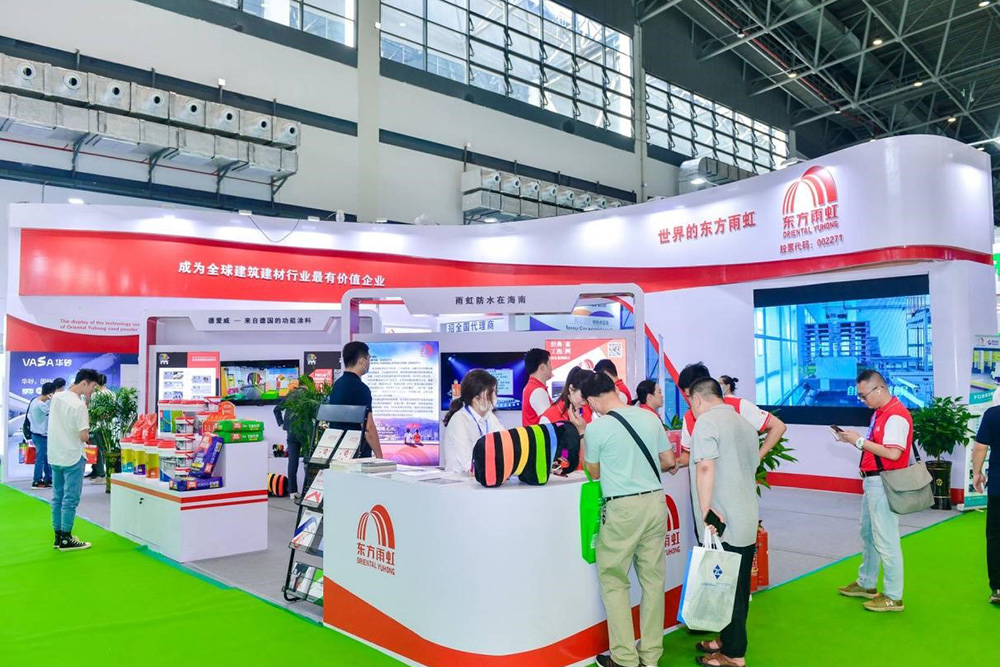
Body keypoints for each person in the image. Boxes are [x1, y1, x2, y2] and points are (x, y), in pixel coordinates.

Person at [574, 373, 675, 667]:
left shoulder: (597, 428)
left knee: (615, 581)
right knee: (653, 581)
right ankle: (651, 656)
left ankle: (625, 658)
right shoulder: (649, 418)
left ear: (592, 400)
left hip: (622, 508)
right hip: (655, 502)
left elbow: (593, 472)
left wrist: (582, 434)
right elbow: (668, 460)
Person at [687, 377, 760, 667]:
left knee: (727, 588)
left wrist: (706, 512)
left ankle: (733, 655)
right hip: (745, 516)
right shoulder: (744, 424)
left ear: (697, 399)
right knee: (736, 586)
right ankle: (726, 640)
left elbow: (705, 466)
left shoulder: (706, 422)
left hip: (722, 521)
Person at [833, 369, 911, 613]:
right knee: (869, 534)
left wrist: (858, 441)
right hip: (873, 481)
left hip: (884, 482)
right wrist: (853, 440)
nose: (862, 400)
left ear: (879, 389)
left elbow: (893, 453)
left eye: (864, 395)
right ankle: (867, 583)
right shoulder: (881, 413)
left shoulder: (895, 415)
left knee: (886, 538)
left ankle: (893, 596)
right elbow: (877, 449)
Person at [674, 363, 786, 472]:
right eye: (688, 396)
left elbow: (778, 427)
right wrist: (674, 463)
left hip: (739, 480)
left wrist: (756, 459)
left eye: (692, 396)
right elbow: (689, 454)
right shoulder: (688, 417)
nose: (692, 401)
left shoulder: (739, 406)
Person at [48, 368, 101, 551]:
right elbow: (83, 436)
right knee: (70, 499)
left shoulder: (57, 397)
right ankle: (66, 538)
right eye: (93, 386)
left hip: (55, 454)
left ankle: (58, 537)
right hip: (73, 456)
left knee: (57, 497)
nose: (93, 390)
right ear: (84, 383)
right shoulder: (79, 406)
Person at [326, 341, 383, 458]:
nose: (369, 363)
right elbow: (368, 427)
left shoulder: (337, 385)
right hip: (356, 454)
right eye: (368, 359)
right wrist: (379, 456)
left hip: (337, 451)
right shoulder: (361, 388)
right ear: (362, 361)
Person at [442, 370, 503, 475]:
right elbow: (470, 466)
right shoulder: (459, 420)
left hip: (481, 479)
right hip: (459, 481)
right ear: (476, 398)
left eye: (495, 392)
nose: (495, 397)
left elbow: (504, 442)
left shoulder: (489, 417)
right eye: (490, 393)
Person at [972, 406, 1000, 604]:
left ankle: (998, 587)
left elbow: (980, 447)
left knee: (996, 536)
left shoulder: (993, 414)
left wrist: (977, 472)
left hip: (998, 486)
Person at [274, 385, 306, 496]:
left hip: (291, 431)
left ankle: (293, 491)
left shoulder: (291, 394)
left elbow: (276, 409)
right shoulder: (308, 395)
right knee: (307, 460)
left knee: (292, 462)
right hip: (304, 431)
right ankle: (307, 490)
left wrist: (282, 424)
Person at [28, 382, 57, 489]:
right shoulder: (41, 405)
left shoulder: (35, 400)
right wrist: (53, 400)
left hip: (37, 434)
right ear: (50, 393)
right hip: (41, 436)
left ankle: (48, 479)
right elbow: (54, 412)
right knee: (41, 459)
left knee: (45, 458)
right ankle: (37, 481)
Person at [85, 373, 112, 481]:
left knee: (97, 450)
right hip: (107, 426)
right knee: (102, 450)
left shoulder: (96, 395)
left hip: (96, 426)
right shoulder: (111, 393)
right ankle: (96, 471)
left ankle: (100, 473)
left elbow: (91, 412)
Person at [522, 348, 553, 426]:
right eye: (550, 364)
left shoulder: (531, 387)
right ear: (543, 367)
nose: (551, 368)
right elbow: (549, 420)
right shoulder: (537, 391)